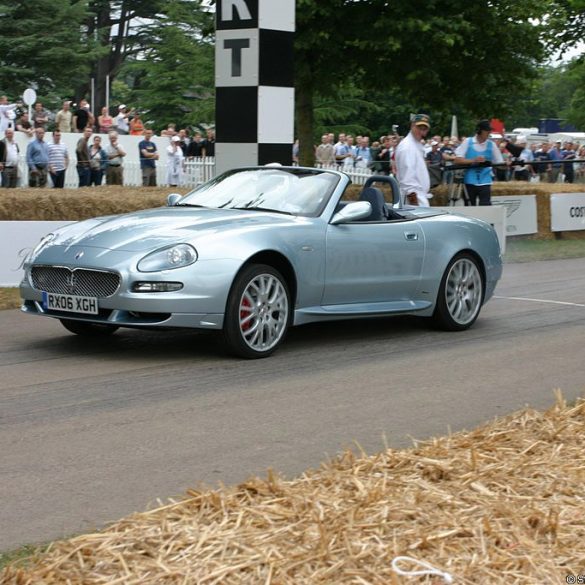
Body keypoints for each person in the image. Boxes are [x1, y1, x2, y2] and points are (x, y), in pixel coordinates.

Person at [454, 120, 503, 206]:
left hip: (485, 180)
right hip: (469, 181)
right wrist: (474, 160)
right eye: (487, 130)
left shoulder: (492, 145)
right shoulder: (468, 142)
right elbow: (457, 160)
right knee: (469, 206)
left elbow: (500, 162)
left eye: (489, 130)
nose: (489, 132)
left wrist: (507, 164)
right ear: (479, 131)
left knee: (485, 205)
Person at [394, 113, 433, 206]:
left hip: (419, 196)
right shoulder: (407, 147)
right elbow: (408, 180)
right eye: (419, 127)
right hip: (413, 199)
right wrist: (415, 205)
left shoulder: (416, 144)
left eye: (424, 128)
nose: (421, 131)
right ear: (412, 126)